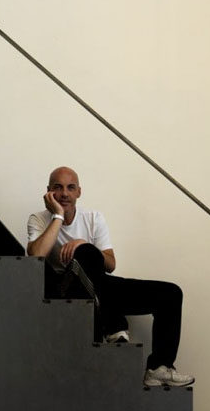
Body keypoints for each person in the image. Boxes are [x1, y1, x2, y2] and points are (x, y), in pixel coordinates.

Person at [27, 166, 194, 388]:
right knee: (85, 253)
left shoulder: (93, 218)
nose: (64, 193)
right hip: (66, 291)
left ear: (79, 192)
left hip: (99, 290)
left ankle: (158, 368)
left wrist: (83, 244)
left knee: (171, 293)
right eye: (58, 188)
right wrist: (57, 216)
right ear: (48, 192)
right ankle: (114, 326)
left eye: (71, 187)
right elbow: (36, 255)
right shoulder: (39, 219)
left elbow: (111, 264)